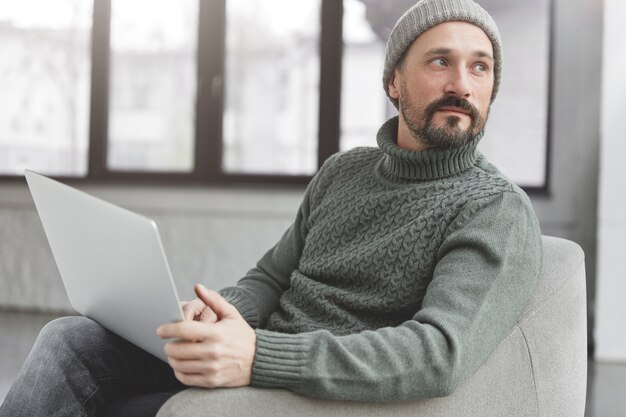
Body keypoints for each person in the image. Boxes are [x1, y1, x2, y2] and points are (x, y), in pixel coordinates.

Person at [0, 0, 542, 415]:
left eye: (480, 68)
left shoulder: (493, 209)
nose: (461, 86)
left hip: (314, 390)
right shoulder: (343, 172)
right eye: (441, 62)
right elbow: (270, 277)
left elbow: (438, 353)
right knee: (69, 339)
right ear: (394, 82)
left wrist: (257, 357)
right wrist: (223, 313)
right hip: (256, 355)